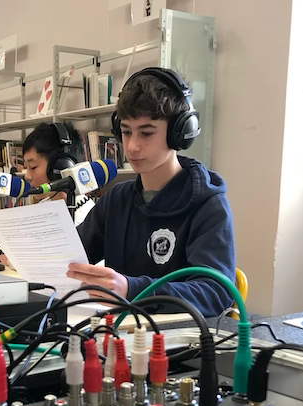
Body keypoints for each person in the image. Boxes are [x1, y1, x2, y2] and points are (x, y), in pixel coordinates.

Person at [68, 67, 236, 317]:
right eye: (126, 131)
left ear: (179, 133)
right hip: (119, 331)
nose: (132, 146)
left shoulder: (208, 205)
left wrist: (133, 289)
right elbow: (72, 257)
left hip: (177, 337)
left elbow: (216, 293)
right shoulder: (116, 199)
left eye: (146, 133)